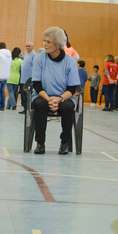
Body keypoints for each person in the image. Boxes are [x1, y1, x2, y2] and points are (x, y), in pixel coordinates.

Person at [31, 27, 82, 155]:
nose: (44, 44)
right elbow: (36, 84)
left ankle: (65, 142)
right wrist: (49, 99)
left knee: (67, 107)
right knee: (40, 105)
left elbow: (72, 88)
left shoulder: (70, 62)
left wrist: (59, 99)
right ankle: (40, 143)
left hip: (64, 97)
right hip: (42, 95)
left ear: (58, 44)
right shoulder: (39, 58)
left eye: (48, 42)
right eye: (44, 41)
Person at [19, 43, 37, 114]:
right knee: (23, 94)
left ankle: (28, 108)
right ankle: (24, 108)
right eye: (26, 46)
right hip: (23, 78)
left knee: (28, 95)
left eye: (29, 46)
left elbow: (35, 67)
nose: (27, 47)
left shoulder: (34, 55)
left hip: (29, 79)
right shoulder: (26, 55)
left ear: (32, 47)